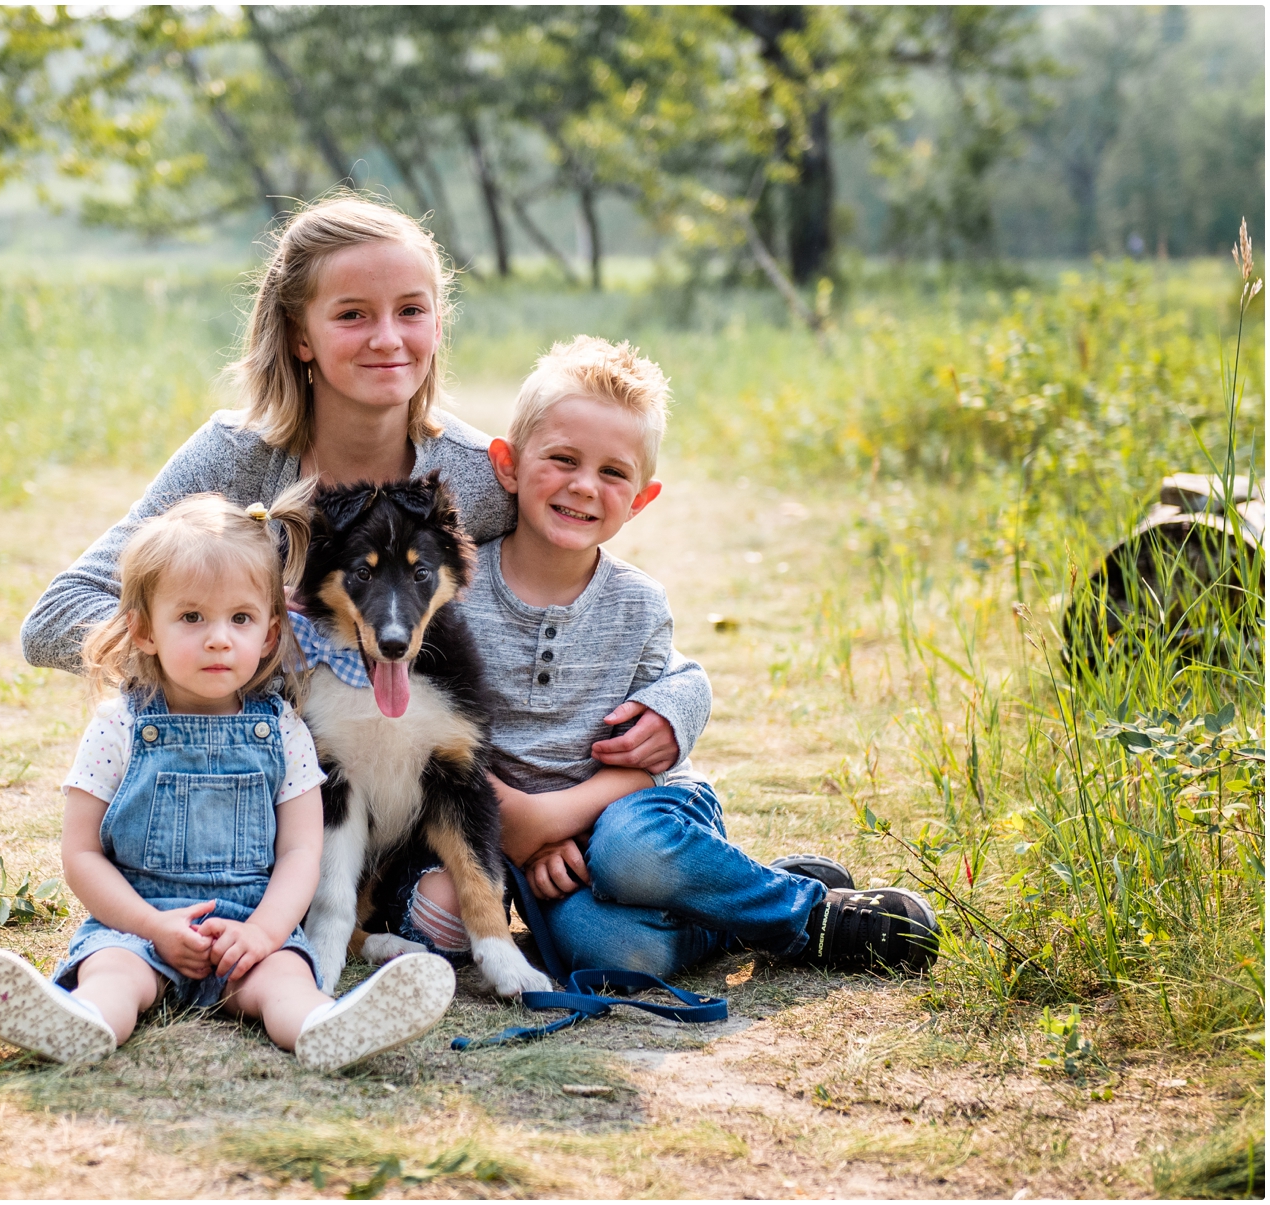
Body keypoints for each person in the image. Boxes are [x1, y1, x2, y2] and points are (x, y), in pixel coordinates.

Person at [19, 193, 687, 778]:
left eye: (410, 311)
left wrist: (678, 702)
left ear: (436, 323)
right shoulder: (234, 460)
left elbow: (592, 600)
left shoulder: (478, 479)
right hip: (239, 780)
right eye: (352, 315)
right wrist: (240, 635)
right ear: (300, 336)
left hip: (400, 799)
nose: (387, 339)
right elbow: (53, 619)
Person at [367, 336, 940, 977]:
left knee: (629, 852)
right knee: (608, 951)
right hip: (508, 834)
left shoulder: (638, 603)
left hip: (631, 818)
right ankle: (738, 906)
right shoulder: (449, 594)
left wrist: (551, 817)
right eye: (562, 459)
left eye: (613, 472)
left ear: (641, 498)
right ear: (507, 465)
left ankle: (807, 915)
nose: (584, 486)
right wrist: (516, 832)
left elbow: (662, 727)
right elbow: (420, 727)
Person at [0, 489, 456, 1073]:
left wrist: (266, 932)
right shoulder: (118, 727)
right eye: (192, 618)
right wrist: (151, 926)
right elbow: (81, 854)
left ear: (271, 635)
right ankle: (82, 1022)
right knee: (114, 975)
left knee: (285, 983)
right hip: (137, 926)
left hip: (250, 932)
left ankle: (325, 1027)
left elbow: (301, 851)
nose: (219, 638)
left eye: (240, 619)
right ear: (143, 631)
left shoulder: (287, 731)